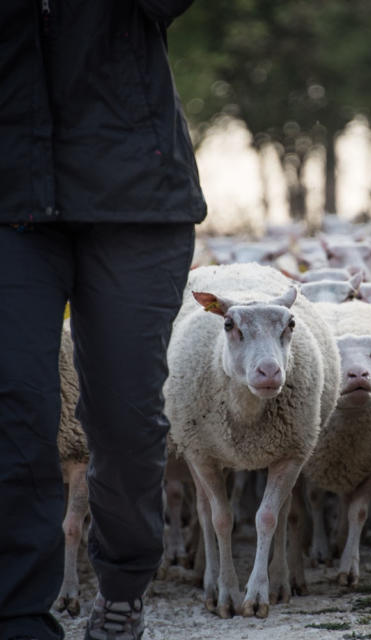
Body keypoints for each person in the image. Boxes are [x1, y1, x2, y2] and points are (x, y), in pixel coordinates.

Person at [0, 2, 206, 639]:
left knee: (123, 416)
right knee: (16, 404)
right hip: (9, 197)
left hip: (136, 197)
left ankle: (121, 586)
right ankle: (18, 615)